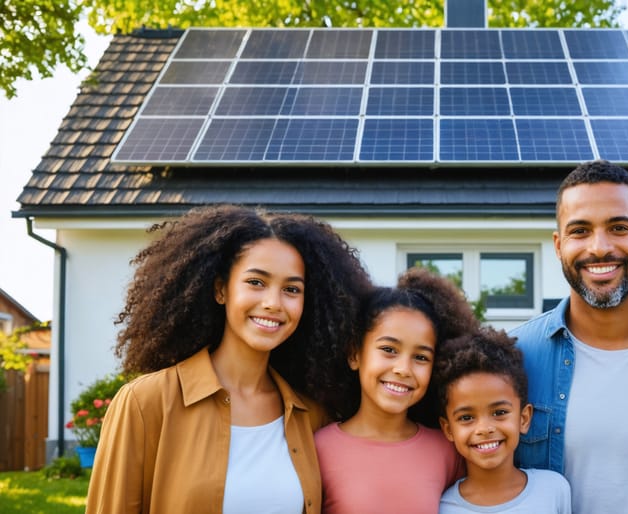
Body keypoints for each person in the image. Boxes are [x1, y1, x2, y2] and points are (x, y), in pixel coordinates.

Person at [86, 204, 373, 514]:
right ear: (221, 289)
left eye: (291, 289)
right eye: (256, 282)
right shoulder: (146, 404)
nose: (273, 303)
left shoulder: (312, 415)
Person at [510, 160, 628, 514]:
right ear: (558, 245)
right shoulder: (514, 357)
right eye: (580, 231)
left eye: (618, 228)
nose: (599, 247)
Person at [314, 267, 478, 514]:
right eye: (389, 350)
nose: (403, 369)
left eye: (421, 357)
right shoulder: (319, 448)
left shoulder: (447, 449)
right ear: (354, 354)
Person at [434, 328, 572, 513]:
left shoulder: (554, 490)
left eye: (499, 412)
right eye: (467, 417)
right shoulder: (442, 508)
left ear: (524, 419)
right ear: (448, 429)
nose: (484, 429)